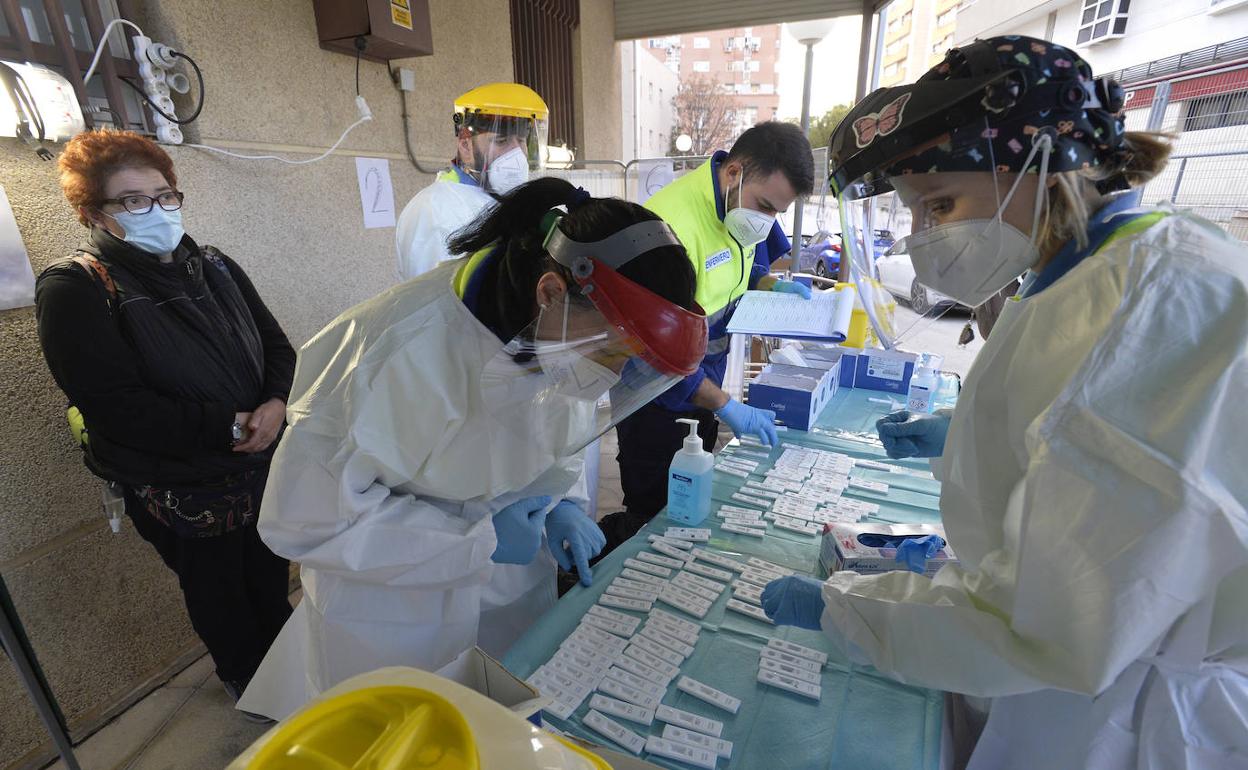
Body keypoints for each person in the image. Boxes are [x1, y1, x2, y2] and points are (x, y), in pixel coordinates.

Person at [761, 37, 1248, 769]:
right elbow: (1070, 434)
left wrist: (851, 611)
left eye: (941, 203)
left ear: (1040, 164)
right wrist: (966, 434)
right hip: (1091, 676)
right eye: (916, 212)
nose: (926, 235)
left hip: (1122, 713)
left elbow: (1048, 615)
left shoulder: (1149, 294)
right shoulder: (1096, 264)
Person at [238, 178, 706, 720]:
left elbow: (554, 441)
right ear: (551, 291)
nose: (615, 375)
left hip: (506, 588)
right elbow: (304, 520)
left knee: (496, 728)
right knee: (404, 742)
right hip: (390, 610)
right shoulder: (394, 349)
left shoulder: (559, 336)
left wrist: (559, 508)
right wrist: (475, 539)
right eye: (617, 351)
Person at [36, 129, 296, 718]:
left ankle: (287, 669)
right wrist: (230, 427)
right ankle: (253, 688)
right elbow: (118, 407)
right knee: (219, 594)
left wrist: (275, 404)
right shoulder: (75, 288)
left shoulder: (216, 266)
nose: (156, 210)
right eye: (133, 200)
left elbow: (277, 346)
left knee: (268, 574)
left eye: (165, 195)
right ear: (92, 214)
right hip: (179, 487)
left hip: (258, 465)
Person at [600, 121, 815, 548]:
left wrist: (769, 285)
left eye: (778, 213)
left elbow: (741, 267)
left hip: (703, 384)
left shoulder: (741, 208)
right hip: (654, 399)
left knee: (686, 504)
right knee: (652, 519)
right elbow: (651, 355)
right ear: (734, 172)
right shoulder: (668, 227)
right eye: (766, 206)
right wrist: (728, 405)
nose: (768, 221)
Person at [394, 82, 549, 281]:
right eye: (501, 141)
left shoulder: (493, 197)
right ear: (466, 146)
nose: (516, 154)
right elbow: (446, 304)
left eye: (521, 141)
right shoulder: (437, 212)